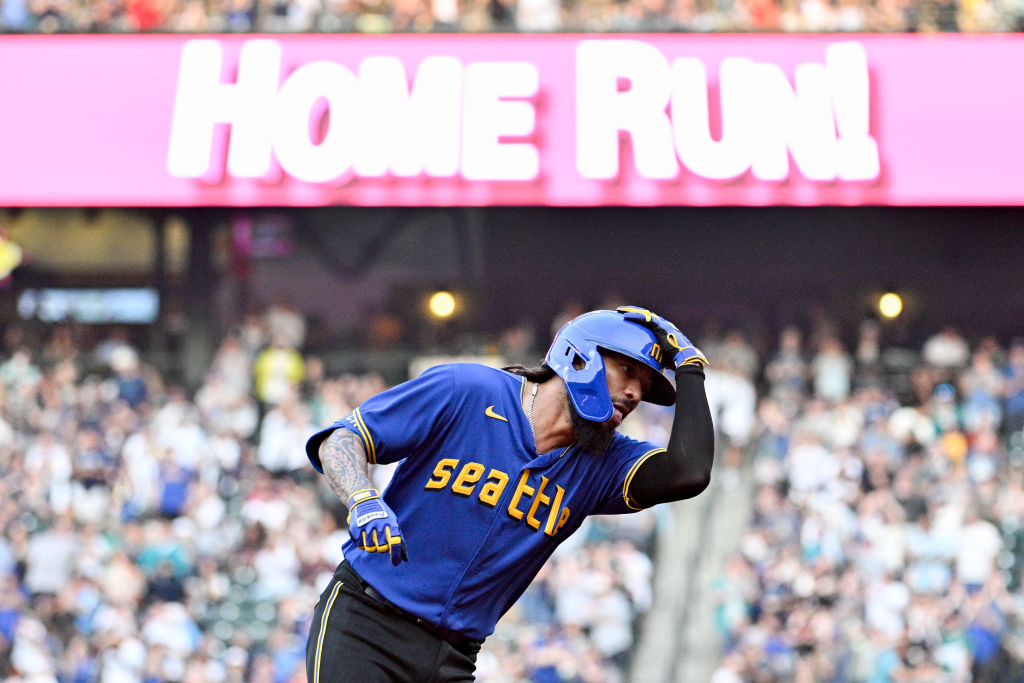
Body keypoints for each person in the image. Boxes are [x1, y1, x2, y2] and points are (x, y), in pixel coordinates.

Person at [303, 306, 716, 681]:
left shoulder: (604, 462)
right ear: (578, 357)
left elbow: (689, 473)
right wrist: (363, 499)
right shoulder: (467, 390)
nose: (636, 394)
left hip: (453, 659)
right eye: (627, 370)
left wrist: (689, 368)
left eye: (645, 386)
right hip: (366, 626)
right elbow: (342, 438)